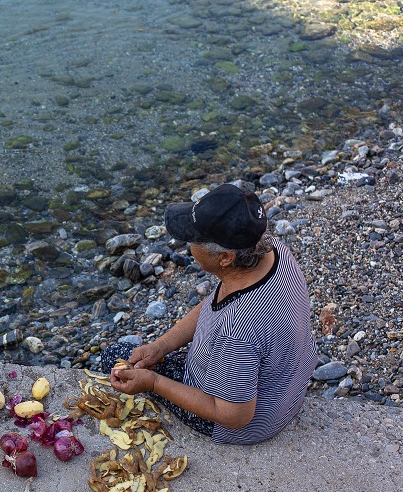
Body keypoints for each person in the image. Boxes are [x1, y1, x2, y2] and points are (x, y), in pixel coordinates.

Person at [101, 183, 318, 444]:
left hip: (241, 421)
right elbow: (214, 304)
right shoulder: (273, 252)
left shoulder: (239, 330)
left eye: (194, 239)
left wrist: (153, 383)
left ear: (225, 258)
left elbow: (234, 416)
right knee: (139, 357)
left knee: (114, 357)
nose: (188, 246)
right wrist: (160, 346)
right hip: (287, 385)